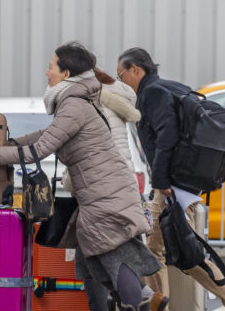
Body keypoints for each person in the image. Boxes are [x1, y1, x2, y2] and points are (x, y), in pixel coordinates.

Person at [0, 42, 168, 311]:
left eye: (51, 66)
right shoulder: (73, 103)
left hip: (105, 196)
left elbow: (42, 147)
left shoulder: (74, 104)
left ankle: (141, 298)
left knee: (109, 254)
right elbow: (46, 135)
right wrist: (6, 144)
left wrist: (0, 155)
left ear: (66, 74)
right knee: (92, 260)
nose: (46, 72)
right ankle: (143, 296)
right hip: (101, 194)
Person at [117, 47, 225, 311]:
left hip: (172, 187)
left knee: (158, 253)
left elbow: (167, 137)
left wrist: (160, 182)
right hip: (178, 185)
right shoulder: (167, 88)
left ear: (136, 69)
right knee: (180, 251)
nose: (120, 81)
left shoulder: (153, 93)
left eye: (121, 75)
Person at [63, 67, 144, 311]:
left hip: (97, 195)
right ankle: (138, 300)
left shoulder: (83, 107)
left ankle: (139, 300)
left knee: (94, 259)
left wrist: (69, 182)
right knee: (122, 259)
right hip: (124, 192)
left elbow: (79, 157)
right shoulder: (117, 103)